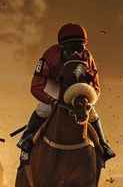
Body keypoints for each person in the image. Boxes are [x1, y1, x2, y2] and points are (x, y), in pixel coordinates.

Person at [17, 23, 116, 164]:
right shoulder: (50, 55)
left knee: (92, 113)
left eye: (79, 48)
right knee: (44, 109)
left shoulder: (87, 56)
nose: (76, 53)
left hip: (78, 85)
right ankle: (26, 142)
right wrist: (52, 101)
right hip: (56, 83)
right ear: (61, 48)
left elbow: (96, 86)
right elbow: (36, 86)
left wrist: (89, 102)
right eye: (71, 49)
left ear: (84, 46)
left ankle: (103, 145)